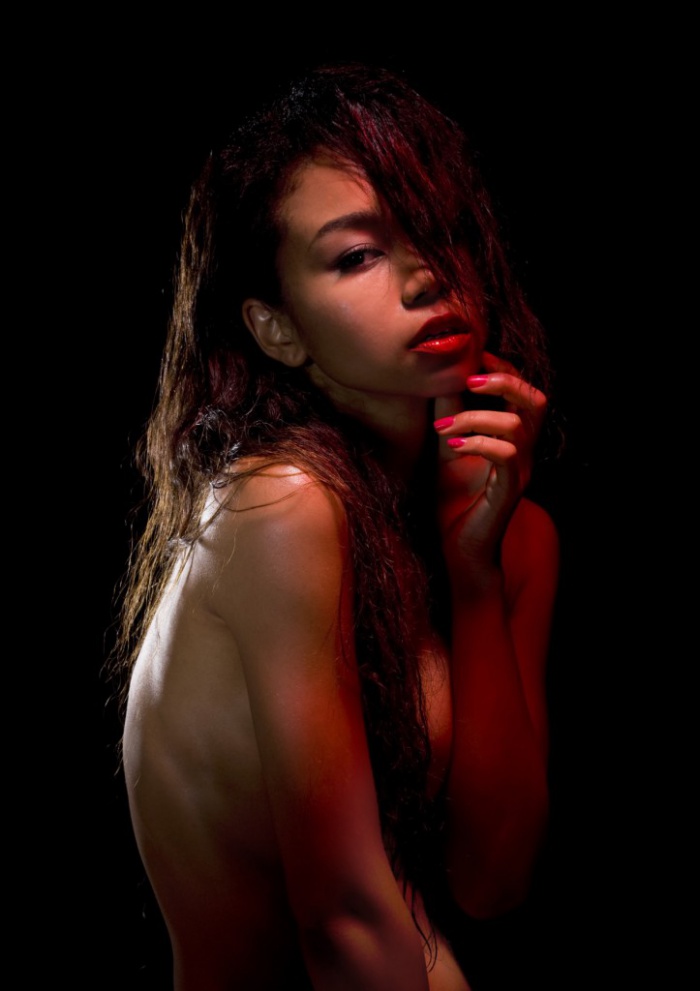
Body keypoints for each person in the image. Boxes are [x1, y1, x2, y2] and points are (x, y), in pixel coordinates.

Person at [114, 61, 560, 990]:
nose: (426, 276)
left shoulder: (512, 534)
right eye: (357, 255)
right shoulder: (279, 505)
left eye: (441, 230)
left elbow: (491, 882)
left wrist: (476, 573)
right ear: (277, 330)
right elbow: (345, 921)